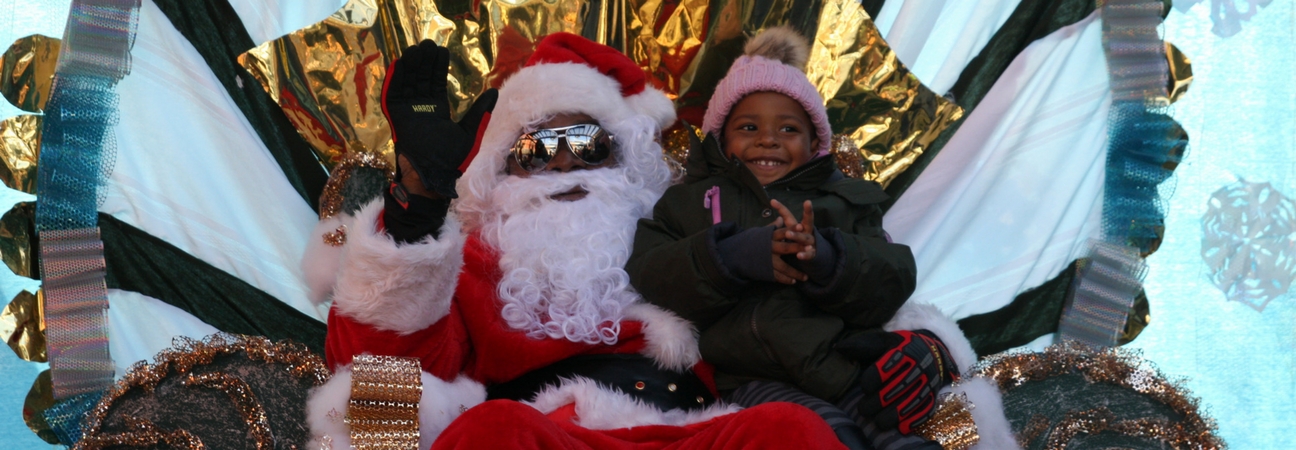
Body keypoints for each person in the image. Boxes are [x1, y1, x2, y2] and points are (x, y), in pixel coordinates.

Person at [300, 33, 846, 449]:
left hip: (686, 430)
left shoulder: (682, 230)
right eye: (536, 150)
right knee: (489, 426)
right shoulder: (472, 260)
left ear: (623, 156)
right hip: (547, 431)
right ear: (505, 171)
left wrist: (930, 345)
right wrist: (416, 210)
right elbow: (375, 366)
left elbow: (802, 302)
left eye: (586, 143)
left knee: (791, 429)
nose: (563, 162)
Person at [626, 27, 969, 450]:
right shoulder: (687, 203)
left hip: (842, 367)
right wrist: (728, 256)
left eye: (788, 129)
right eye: (748, 126)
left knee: (906, 441)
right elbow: (649, 272)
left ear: (815, 145)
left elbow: (892, 277)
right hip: (748, 380)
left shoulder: (843, 201)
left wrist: (828, 259)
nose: (767, 139)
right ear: (719, 139)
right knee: (824, 437)